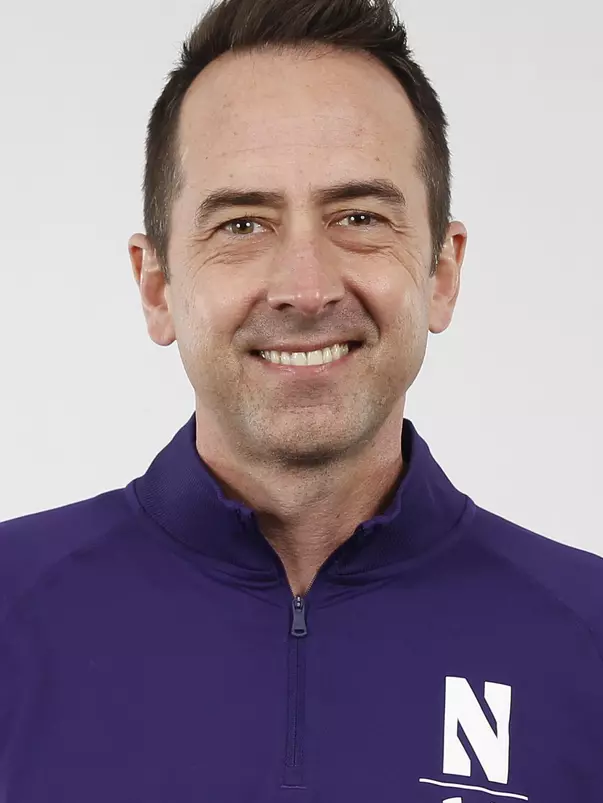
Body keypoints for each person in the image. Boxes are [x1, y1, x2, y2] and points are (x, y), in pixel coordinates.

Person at [1, 0, 602, 799]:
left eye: (359, 216)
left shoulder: (586, 636)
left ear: (441, 272)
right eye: (243, 223)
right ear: (156, 286)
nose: (306, 287)